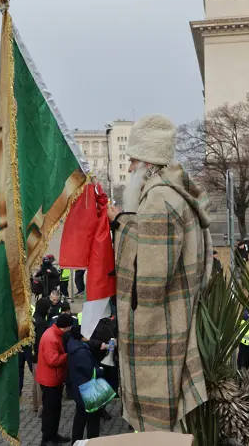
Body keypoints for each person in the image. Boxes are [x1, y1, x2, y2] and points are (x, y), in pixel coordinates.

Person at [108, 115, 209, 431]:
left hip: (160, 335)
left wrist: (119, 224)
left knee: (158, 426)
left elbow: (149, 280)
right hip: (178, 319)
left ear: (147, 164)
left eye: (132, 161)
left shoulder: (157, 199)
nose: (128, 170)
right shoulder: (176, 190)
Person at [36, 314, 73, 446]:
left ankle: (53, 434)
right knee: (49, 411)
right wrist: (68, 356)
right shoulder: (51, 338)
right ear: (65, 327)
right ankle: (46, 439)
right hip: (49, 380)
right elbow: (52, 360)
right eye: (69, 327)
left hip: (54, 379)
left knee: (55, 409)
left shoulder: (55, 333)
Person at [66, 326, 102, 444]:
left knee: (80, 417)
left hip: (78, 388)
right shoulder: (81, 352)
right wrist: (100, 370)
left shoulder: (73, 346)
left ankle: (76, 441)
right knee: (92, 420)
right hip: (88, 390)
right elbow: (90, 371)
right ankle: (93, 442)